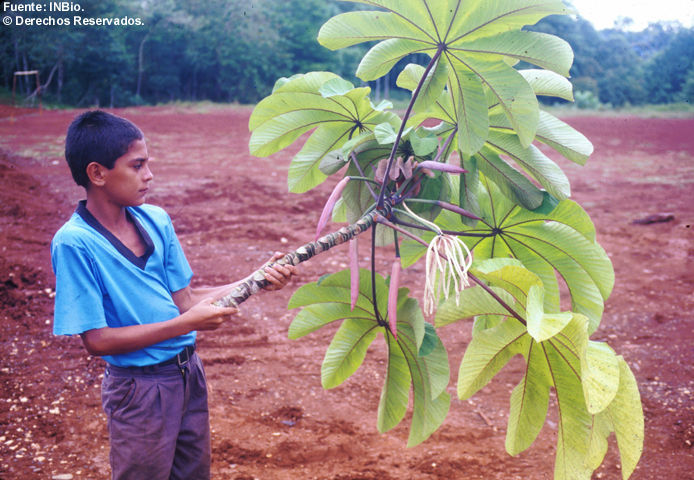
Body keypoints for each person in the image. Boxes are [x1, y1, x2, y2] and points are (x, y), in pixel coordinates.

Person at [50, 110, 296, 479]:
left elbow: (186, 299)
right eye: (137, 165)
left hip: (187, 374)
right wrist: (184, 325)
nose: (149, 175)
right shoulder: (75, 243)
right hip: (139, 389)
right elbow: (97, 341)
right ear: (97, 173)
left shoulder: (156, 219)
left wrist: (258, 278)